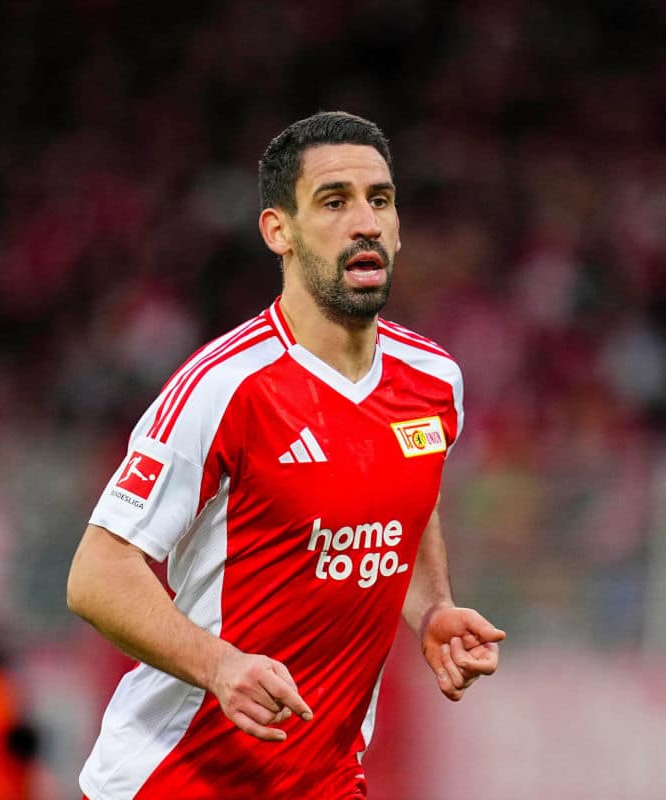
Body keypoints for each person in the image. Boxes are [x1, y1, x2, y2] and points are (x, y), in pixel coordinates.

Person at [66, 111, 505, 799]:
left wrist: (435, 608)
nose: (365, 222)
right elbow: (96, 575)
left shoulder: (434, 379)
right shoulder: (225, 387)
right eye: (334, 202)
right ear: (280, 232)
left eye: (379, 200)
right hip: (176, 778)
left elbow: (410, 502)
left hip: (326, 779)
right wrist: (217, 666)